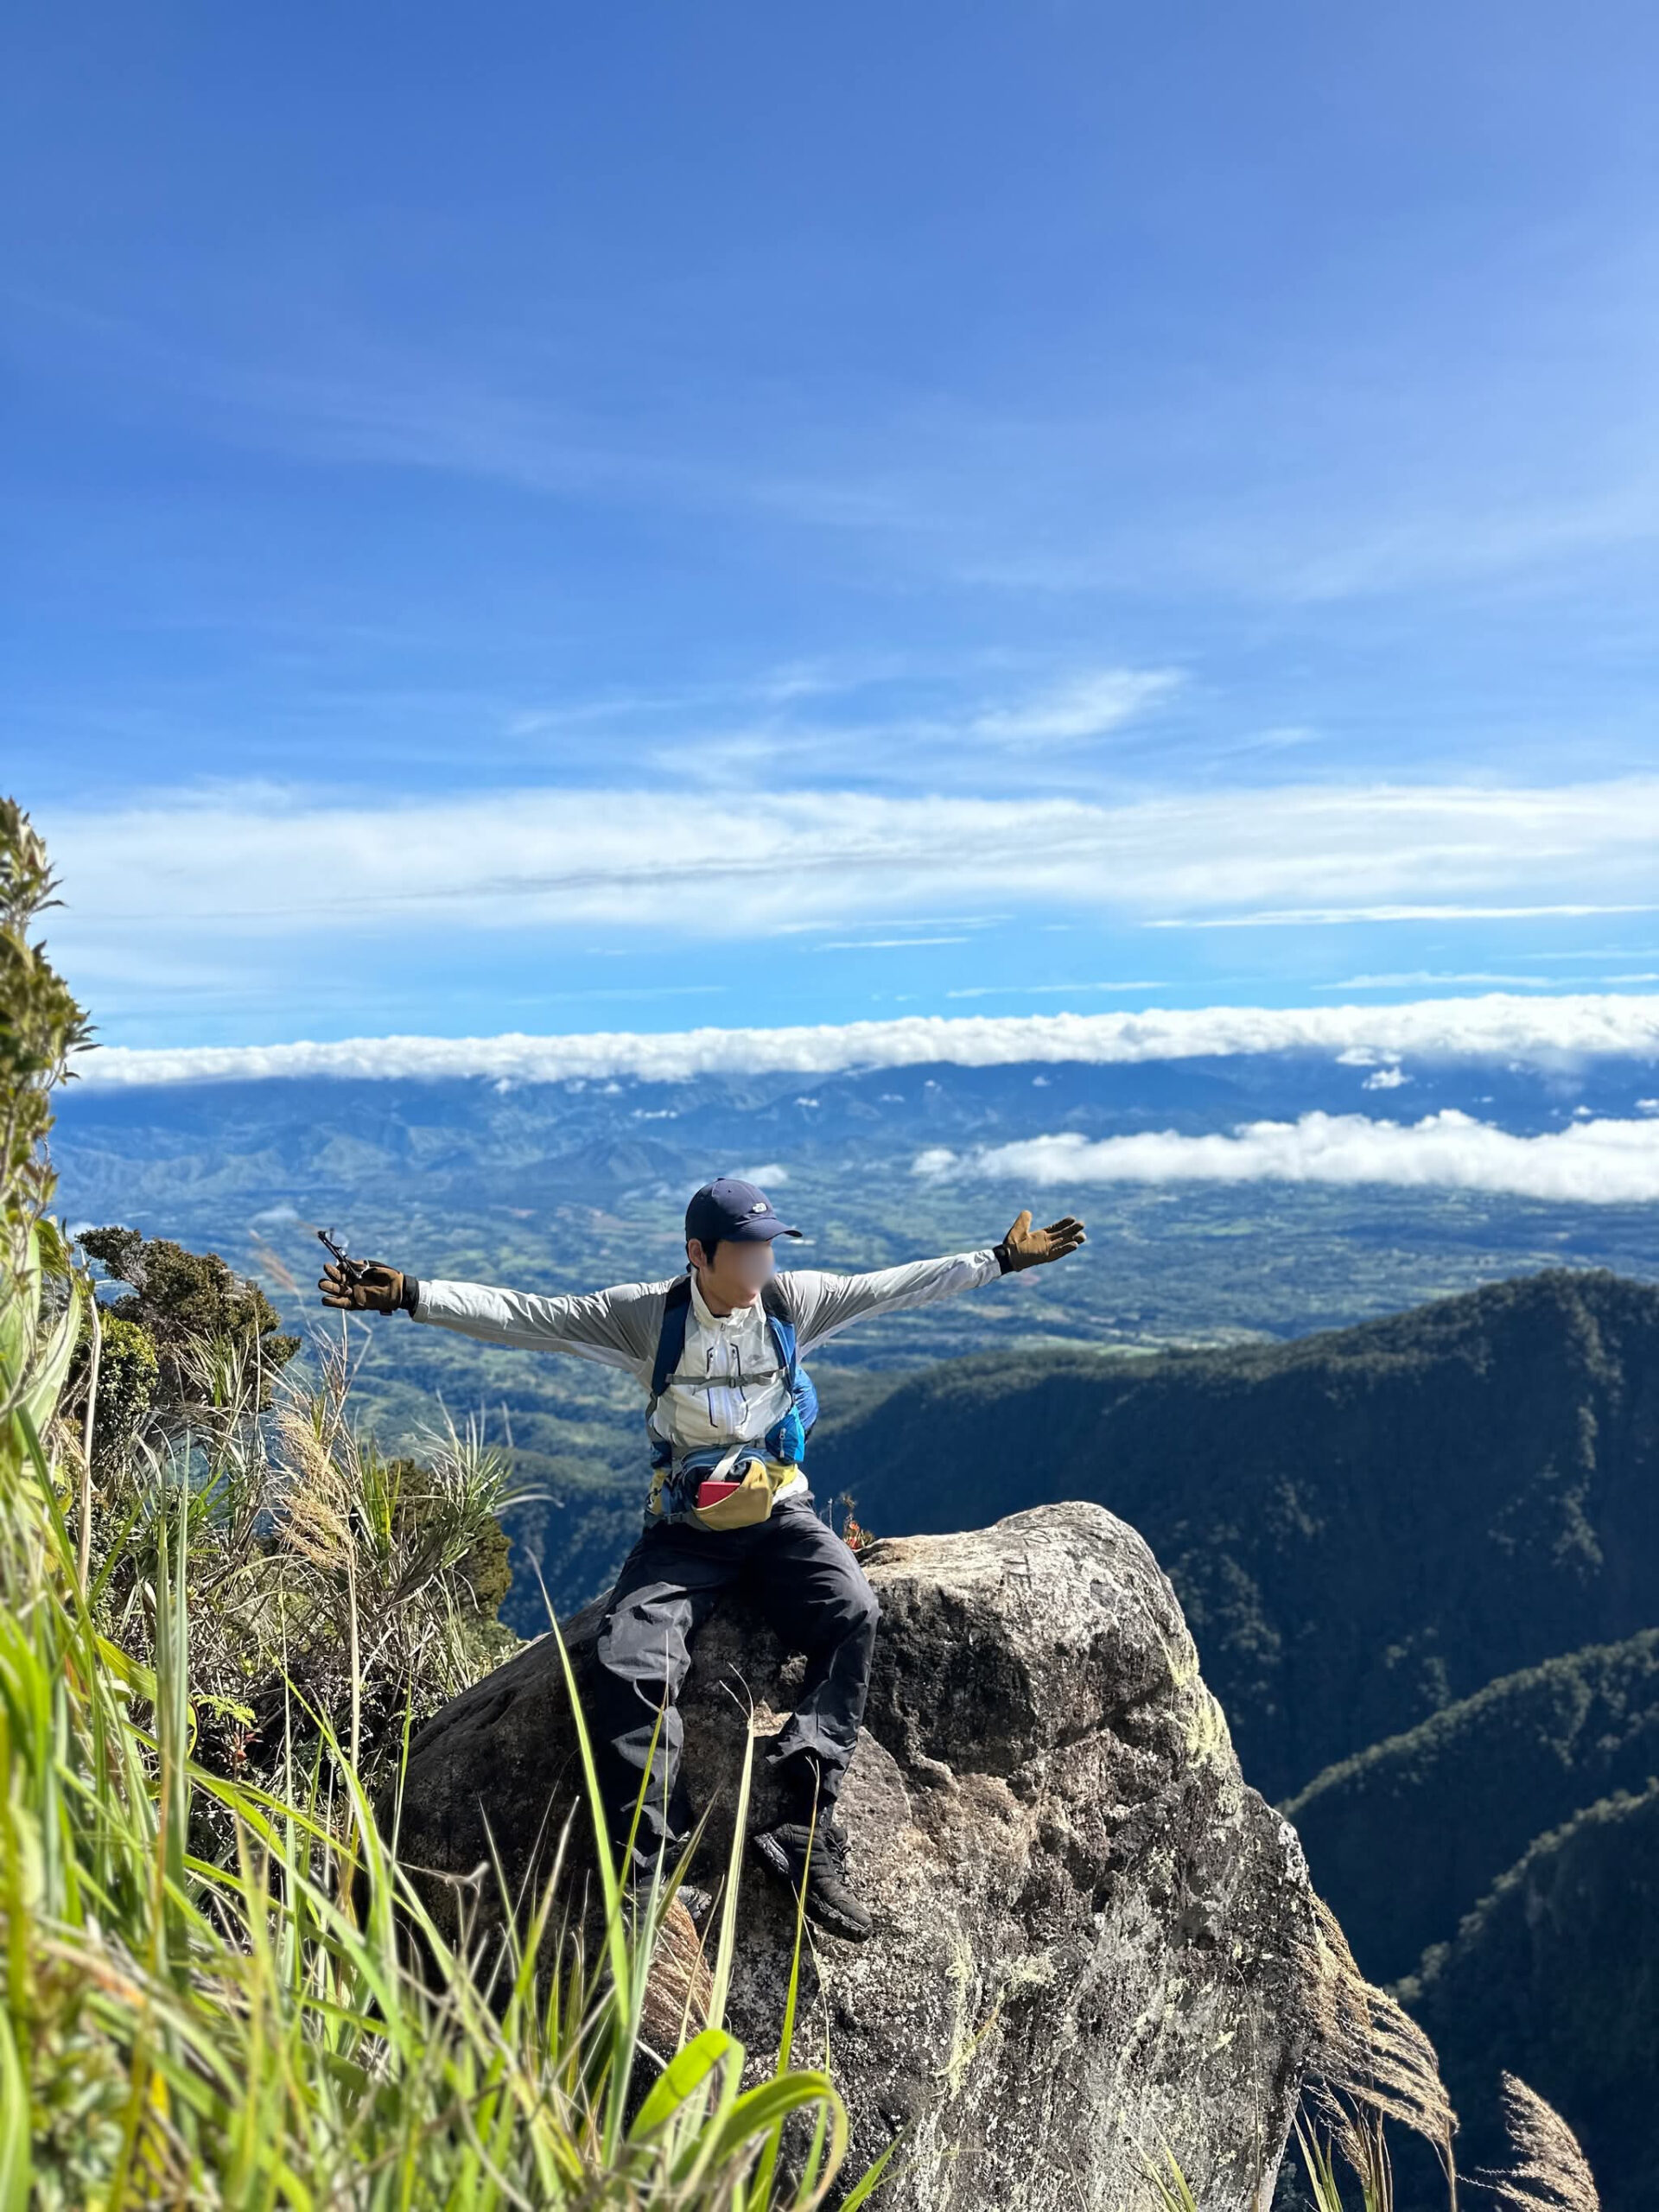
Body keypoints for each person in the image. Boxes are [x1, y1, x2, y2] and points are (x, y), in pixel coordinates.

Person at [319, 1175, 1085, 1941]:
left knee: (853, 1612)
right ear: (699, 1254)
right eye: (749, 1249)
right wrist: (410, 1294)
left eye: (770, 1248)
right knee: (633, 1662)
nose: (763, 1265)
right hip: (685, 1533)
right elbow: (531, 1317)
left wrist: (1000, 1260)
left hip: (783, 1514)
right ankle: (647, 1876)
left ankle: (803, 1826)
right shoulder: (648, 1320)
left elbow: (893, 1287)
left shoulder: (792, 1304)